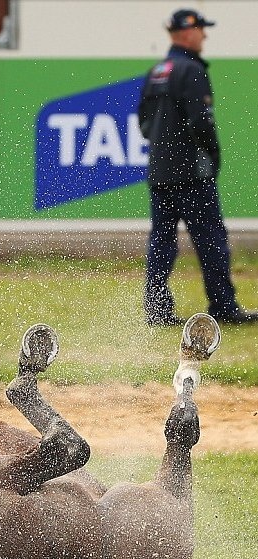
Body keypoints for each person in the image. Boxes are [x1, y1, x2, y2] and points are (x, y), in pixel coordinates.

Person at [138, 8, 258, 326]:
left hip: (160, 173)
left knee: (162, 242)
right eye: (202, 29)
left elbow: (144, 124)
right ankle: (223, 306)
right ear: (187, 33)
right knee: (211, 240)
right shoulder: (191, 69)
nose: (204, 35)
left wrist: (165, 151)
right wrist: (212, 157)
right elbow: (201, 122)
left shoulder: (158, 70)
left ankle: (157, 311)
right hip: (192, 174)